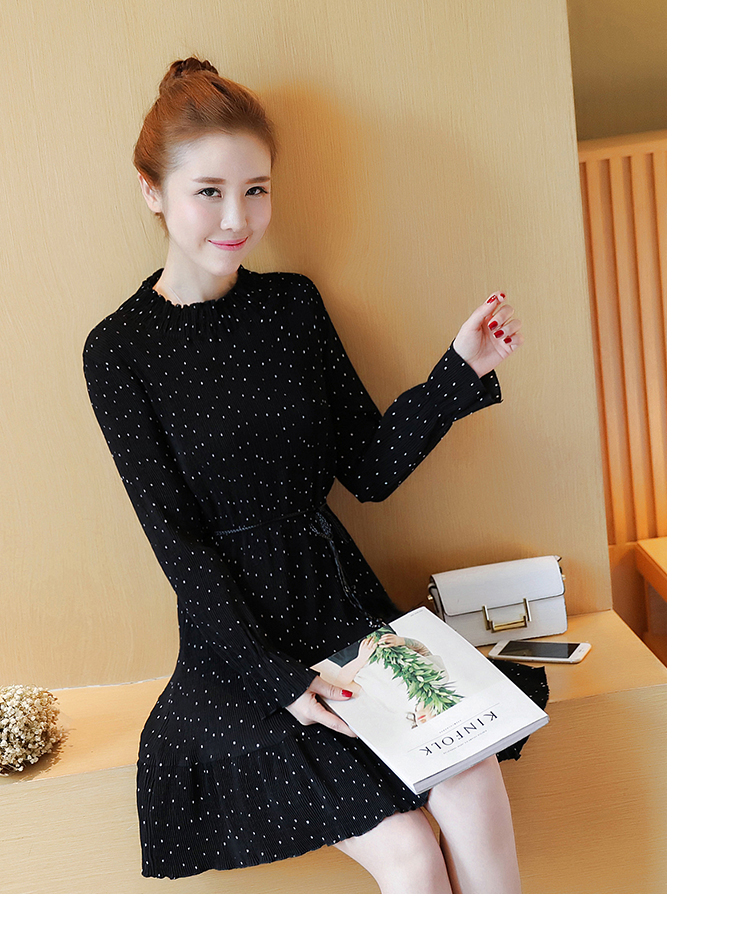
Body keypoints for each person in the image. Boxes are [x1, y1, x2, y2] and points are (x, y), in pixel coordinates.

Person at [83, 57, 537, 894]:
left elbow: (367, 470)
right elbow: (179, 548)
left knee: (475, 789)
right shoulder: (119, 350)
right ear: (152, 191)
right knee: (410, 854)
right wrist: (284, 683)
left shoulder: (292, 304)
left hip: (345, 612)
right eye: (209, 191)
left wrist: (458, 371)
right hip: (241, 652)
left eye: (256, 189)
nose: (238, 216)